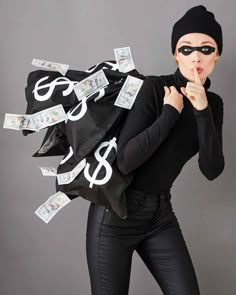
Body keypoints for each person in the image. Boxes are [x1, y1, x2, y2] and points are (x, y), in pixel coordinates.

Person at [86, 5, 224, 295]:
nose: (195, 56)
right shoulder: (153, 89)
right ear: (175, 54)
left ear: (217, 56)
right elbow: (125, 161)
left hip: (160, 216)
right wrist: (170, 113)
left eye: (206, 48)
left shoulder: (215, 105)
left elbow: (211, 170)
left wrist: (202, 112)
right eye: (186, 49)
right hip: (115, 216)